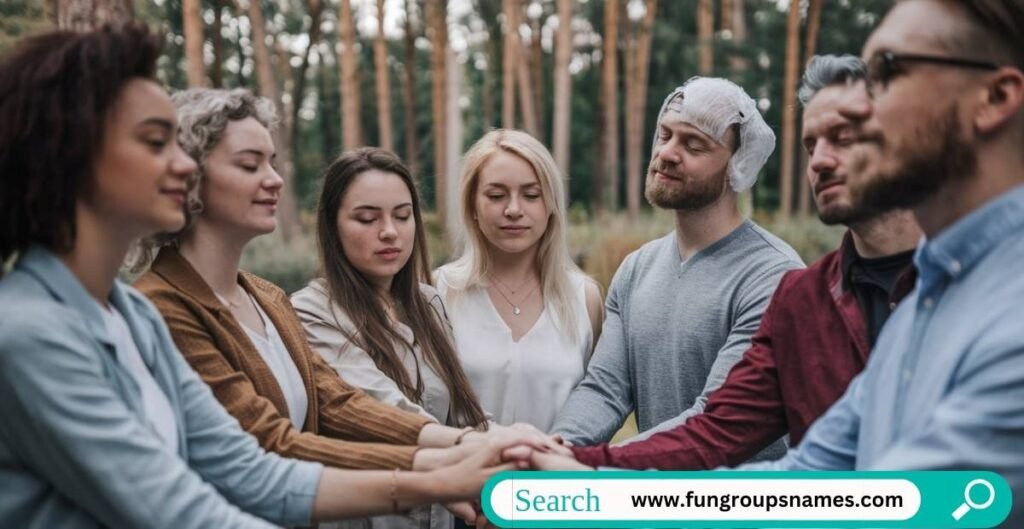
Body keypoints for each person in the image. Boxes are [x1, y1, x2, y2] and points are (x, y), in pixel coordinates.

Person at [0, 25, 523, 529]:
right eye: (156, 143)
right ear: (72, 153)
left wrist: (447, 469)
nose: (181, 166)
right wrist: (440, 471)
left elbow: (250, 468)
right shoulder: (31, 334)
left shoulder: (133, 316)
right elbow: (179, 507)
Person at [566, 55, 923, 470]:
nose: (820, 160)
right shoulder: (807, 296)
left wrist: (570, 467)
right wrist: (554, 457)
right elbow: (715, 431)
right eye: (811, 146)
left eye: (843, 139)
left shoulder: (775, 276)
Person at [551, 77, 804, 461]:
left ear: (738, 165)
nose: (667, 152)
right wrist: (549, 450)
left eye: (693, 143)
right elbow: (604, 390)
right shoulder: (636, 268)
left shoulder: (773, 277)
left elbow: (713, 421)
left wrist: (575, 465)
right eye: (664, 135)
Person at [292, 147, 491, 529]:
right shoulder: (310, 312)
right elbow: (381, 407)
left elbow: (463, 411)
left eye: (402, 216)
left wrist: (511, 448)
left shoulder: (428, 302)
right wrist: (473, 447)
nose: (389, 231)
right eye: (367, 218)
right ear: (331, 225)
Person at [433, 129, 604, 432]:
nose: (513, 209)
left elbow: (599, 406)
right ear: (472, 204)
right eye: (496, 196)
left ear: (551, 204)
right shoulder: (439, 292)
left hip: (555, 477)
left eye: (531, 195)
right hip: (462, 476)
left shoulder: (585, 299)